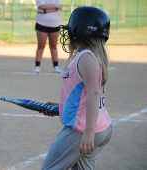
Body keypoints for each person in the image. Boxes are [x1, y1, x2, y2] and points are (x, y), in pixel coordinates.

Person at [41, 6, 112, 169]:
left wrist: (88, 133)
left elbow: (93, 94)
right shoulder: (91, 56)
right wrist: (62, 108)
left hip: (82, 130)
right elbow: (84, 94)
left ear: (80, 31)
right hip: (100, 127)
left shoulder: (85, 57)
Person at [33, 0, 62, 74]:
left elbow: (59, 6)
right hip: (41, 24)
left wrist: (45, 10)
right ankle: (37, 67)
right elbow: (41, 6)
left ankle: (56, 67)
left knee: (53, 46)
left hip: (55, 24)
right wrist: (54, 7)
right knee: (41, 46)